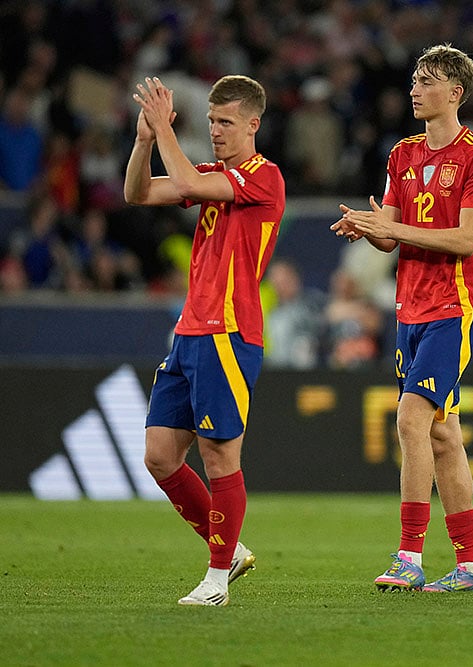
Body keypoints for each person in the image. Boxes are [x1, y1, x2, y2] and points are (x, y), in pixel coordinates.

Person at [331, 44, 473, 592]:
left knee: (410, 419)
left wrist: (394, 230)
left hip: (453, 307)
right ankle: (472, 568)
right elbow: (391, 237)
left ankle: (408, 555)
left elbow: (466, 239)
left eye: (426, 81)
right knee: (445, 435)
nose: (414, 89)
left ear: (455, 92)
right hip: (408, 309)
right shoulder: (401, 154)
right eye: (413, 80)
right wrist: (368, 228)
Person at [124, 74, 285, 606]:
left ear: (253, 125)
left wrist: (168, 135)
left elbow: (188, 186)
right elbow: (139, 192)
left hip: (231, 332)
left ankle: (216, 580)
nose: (214, 131)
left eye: (226, 123)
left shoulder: (265, 178)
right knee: (160, 456)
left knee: (220, 457)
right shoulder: (213, 172)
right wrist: (147, 137)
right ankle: (231, 550)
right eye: (211, 121)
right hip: (190, 332)